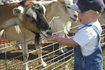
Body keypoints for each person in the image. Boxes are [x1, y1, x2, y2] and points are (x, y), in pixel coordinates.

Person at [46, 0, 105, 70]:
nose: (77, 14)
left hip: (88, 66)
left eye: (81, 12)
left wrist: (57, 39)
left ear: (95, 14)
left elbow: (72, 43)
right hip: (92, 61)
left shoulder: (88, 31)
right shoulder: (96, 24)